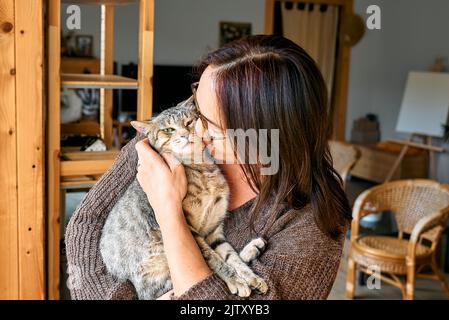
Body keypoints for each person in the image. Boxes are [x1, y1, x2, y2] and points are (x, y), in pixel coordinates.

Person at [65, 35, 351, 300]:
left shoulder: (311, 226)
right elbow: (85, 226)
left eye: (211, 126)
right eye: (196, 108)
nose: (194, 131)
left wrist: (168, 210)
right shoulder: (173, 130)